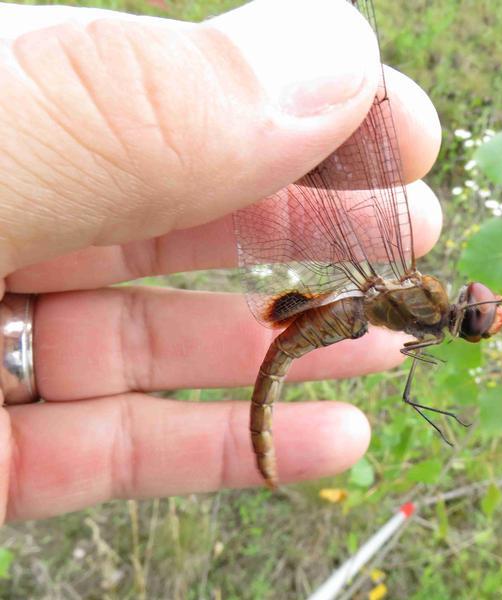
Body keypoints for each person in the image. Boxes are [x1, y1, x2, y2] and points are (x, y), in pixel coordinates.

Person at [0, 0, 442, 523]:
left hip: (343, 310)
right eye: (479, 314)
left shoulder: (421, 310)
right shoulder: (420, 301)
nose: (476, 313)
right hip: (342, 310)